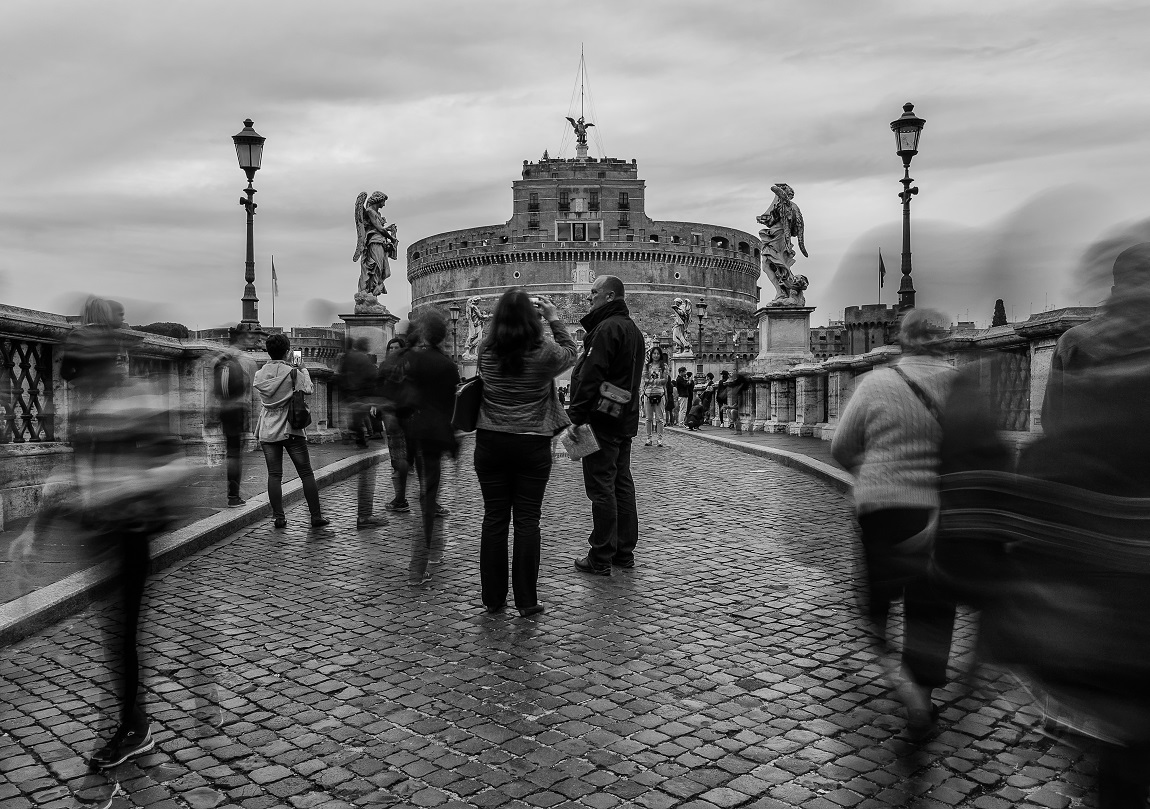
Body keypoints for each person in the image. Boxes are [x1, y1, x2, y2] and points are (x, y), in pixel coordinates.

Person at [831, 308, 957, 736]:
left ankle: (898, 679)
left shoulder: (877, 382)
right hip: (938, 512)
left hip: (881, 507)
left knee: (878, 602)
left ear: (901, 339)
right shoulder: (963, 386)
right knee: (932, 605)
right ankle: (922, 693)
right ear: (946, 341)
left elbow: (843, 447)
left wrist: (873, 475)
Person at [475, 289, 577, 616]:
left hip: (490, 442)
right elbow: (571, 352)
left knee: (494, 520)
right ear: (533, 318)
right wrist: (554, 318)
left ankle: (492, 598)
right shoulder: (543, 350)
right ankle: (527, 601)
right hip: (531, 444)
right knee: (527, 521)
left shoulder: (485, 349)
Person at [564, 275, 645, 575]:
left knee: (601, 487)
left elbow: (591, 375)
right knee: (621, 483)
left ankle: (601, 556)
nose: (590, 299)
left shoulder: (607, 328)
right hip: (623, 417)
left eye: (594, 293)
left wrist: (577, 418)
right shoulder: (632, 330)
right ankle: (624, 552)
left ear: (610, 296)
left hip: (601, 418)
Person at [400, 312, 460, 585]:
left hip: (417, 435)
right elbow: (451, 408)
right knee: (427, 499)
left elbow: (405, 400)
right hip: (437, 437)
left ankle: (427, 558)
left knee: (425, 498)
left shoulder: (414, 361)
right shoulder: (448, 366)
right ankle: (419, 566)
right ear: (443, 336)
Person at [254, 334, 329, 530]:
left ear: (268, 352)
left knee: (274, 475)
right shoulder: (293, 372)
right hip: (291, 428)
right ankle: (315, 516)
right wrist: (302, 367)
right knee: (305, 473)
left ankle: (279, 517)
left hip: (268, 428)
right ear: (288, 351)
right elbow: (310, 389)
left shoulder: (259, 374)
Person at [214, 326, 258, 506]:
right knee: (235, 454)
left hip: (224, 409)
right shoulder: (247, 360)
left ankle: (231, 490)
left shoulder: (219, 359)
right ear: (241, 339)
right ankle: (234, 494)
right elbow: (254, 391)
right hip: (239, 409)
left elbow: (214, 390)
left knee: (230, 451)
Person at [378, 336, 414, 513]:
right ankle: (400, 497)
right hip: (392, 416)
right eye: (390, 348)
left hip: (400, 416)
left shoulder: (407, 368)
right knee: (398, 458)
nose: (392, 351)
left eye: (396, 348)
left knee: (400, 459)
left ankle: (400, 500)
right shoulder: (385, 367)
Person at [641, 346, 669, 447]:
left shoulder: (664, 366)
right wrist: (656, 381)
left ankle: (659, 439)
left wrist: (652, 381)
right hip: (648, 393)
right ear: (651, 355)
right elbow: (645, 378)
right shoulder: (647, 366)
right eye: (654, 353)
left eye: (657, 353)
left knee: (659, 418)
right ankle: (649, 438)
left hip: (659, 393)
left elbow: (665, 379)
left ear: (660, 355)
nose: (656, 355)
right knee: (648, 418)